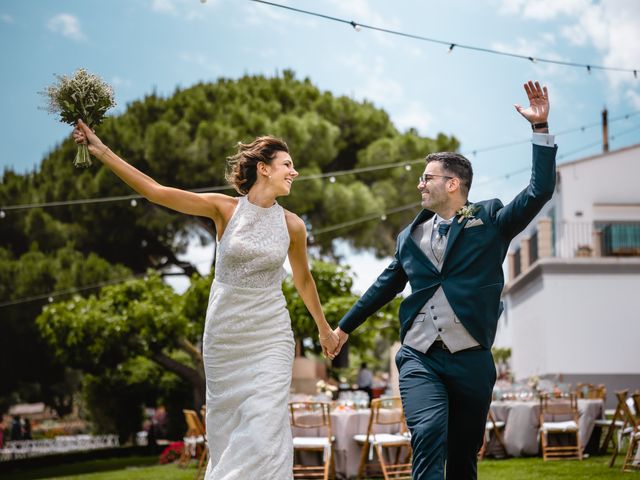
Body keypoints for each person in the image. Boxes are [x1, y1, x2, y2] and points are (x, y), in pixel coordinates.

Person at [73, 122, 340, 479]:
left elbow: (304, 280)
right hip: (225, 336)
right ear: (264, 168)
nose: (295, 171)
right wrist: (102, 150)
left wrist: (324, 330)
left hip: (271, 334)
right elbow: (155, 191)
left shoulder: (293, 226)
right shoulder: (224, 209)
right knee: (226, 428)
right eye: (287, 164)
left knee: (266, 424)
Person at [331, 80, 556, 479]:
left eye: (427, 177)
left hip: (472, 358)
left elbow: (539, 191)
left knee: (463, 456)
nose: (420, 183)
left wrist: (540, 130)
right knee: (429, 430)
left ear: (452, 184)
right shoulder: (408, 237)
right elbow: (385, 286)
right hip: (420, 355)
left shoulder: (488, 219)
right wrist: (344, 327)